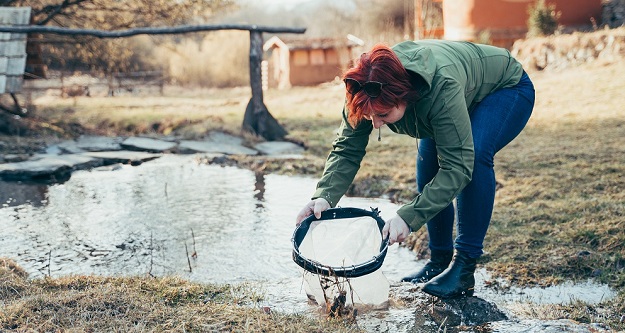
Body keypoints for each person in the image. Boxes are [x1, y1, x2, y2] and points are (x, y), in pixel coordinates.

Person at [295, 39, 535, 299]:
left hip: (505, 88)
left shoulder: (441, 89)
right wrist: (324, 196)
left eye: (383, 115)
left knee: (474, 159)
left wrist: (408, 217)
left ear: (404, 97)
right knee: (428, 162)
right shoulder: (362, 87)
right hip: (453, 94)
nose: (375, 124)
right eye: (369, 117)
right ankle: (439, 261)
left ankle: (464, 269)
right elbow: (347, 147)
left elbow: (458, 167)